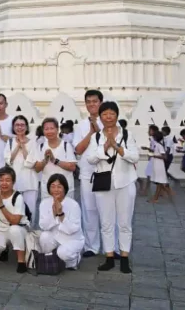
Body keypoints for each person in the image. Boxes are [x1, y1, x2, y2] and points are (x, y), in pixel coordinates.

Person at [85, 101, 138, 274]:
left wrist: (117, 147)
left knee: (124, 222)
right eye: (104, 114)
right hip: (103, 183)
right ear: (100, 117)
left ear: (117, 115)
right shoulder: (96, 137)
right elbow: (91, 159)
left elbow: (135, 157)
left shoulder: (127, 135)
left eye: (111, 113)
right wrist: (105, 147)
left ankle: (124, 256)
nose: (108, 117)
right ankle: (108, 256)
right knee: (106, 222)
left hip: (125, 182)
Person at [72, 89, 103, 258]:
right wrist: (91, 132)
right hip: (87, 173)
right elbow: (78, 149)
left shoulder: (110, 122)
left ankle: (113, 247)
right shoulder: (81, 126)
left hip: (106, 172)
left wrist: (99, 128)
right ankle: (92, 246)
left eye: (95, 101)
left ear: (101, 102)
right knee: (89, 210)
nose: (92, 104)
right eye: (88, 102)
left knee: (108, 211)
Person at [37, 174, 85, 271]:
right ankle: (53, 258)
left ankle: (74, 260)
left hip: (72, 239)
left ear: (65, 188)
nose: (56, 190)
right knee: (44, 237)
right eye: (53, 186)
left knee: (63, 254)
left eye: (59, 187)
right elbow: (43, 226)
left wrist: (61, 213)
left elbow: (72, 229)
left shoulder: (73, 205)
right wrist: (54, 215)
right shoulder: (44, 203)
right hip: (55, 236)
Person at [0, 166, 28, 273]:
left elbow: (15, 221)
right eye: (1, 180)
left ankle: (21, 260)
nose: (4, 183)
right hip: (0, 229)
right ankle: (5, 248)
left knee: (14, 230)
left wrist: (1, 206)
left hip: (18, 228)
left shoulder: (18, 197)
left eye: (7, 180)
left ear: (13, 182)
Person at [29, 117, 77, 204]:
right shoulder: (40, 147)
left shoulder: (66, 145)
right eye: (46, 129)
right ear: (43, 131)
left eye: (52, 128)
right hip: (47, 189)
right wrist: (45, 160)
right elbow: (37, 169)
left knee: (66, 214)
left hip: (65, 189)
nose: (49, 131)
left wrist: (55, 160)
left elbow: (72, 167)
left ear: (57, 129)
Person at [4, 116, 38, 226]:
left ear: (27, 127)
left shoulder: (33, 142)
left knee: (30, 212)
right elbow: (9, 161)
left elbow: (30, 162)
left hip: (30, 182)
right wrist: (17, 146)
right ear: (13, 127)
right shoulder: (9, 142)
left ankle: (29, 238)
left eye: (22, 125)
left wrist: (23, 145)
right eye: (17, 125)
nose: (20, 127)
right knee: (14, 212)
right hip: (14, 183)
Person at [145, 128, 172, 203]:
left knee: (159, 182)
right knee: (158, 182)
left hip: (159, 165)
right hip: (155, 164)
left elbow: (164, 157)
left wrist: (154, 156)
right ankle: (165, 194)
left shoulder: (159, 145)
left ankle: (156, 198)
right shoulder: (156, 145)